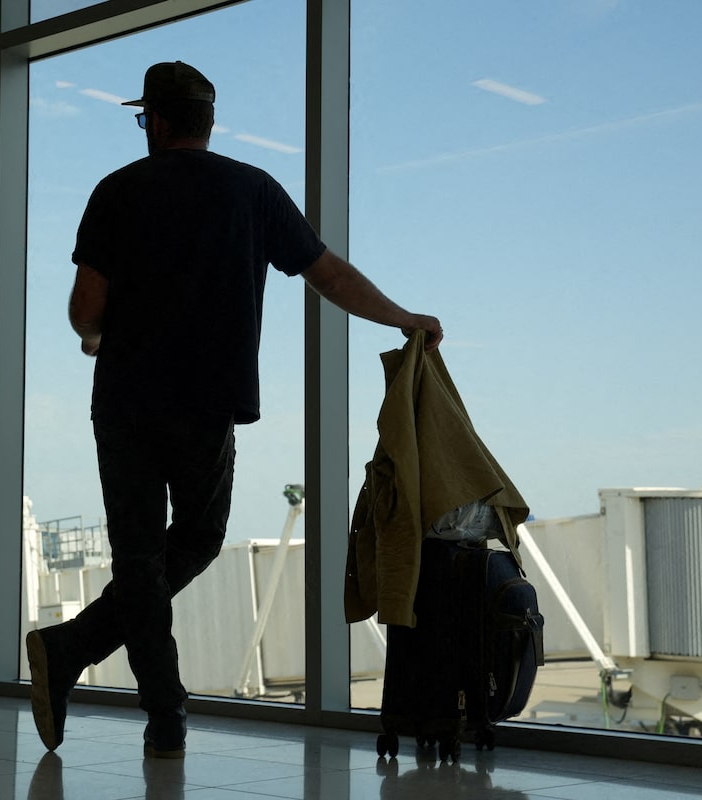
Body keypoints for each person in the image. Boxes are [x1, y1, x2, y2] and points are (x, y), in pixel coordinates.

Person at [26, 60, 443, 759]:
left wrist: (94, 336)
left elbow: (86, 307)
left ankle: (146, 702)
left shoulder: (116, 190)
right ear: (209, 122)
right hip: (208, 403)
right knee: (195, 539)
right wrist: (405, 319)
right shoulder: (254, 190)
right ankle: (81, 658)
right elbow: (330, 275)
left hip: (127, 401)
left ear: (157, 122)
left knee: (139, 558)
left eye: (144, 118)